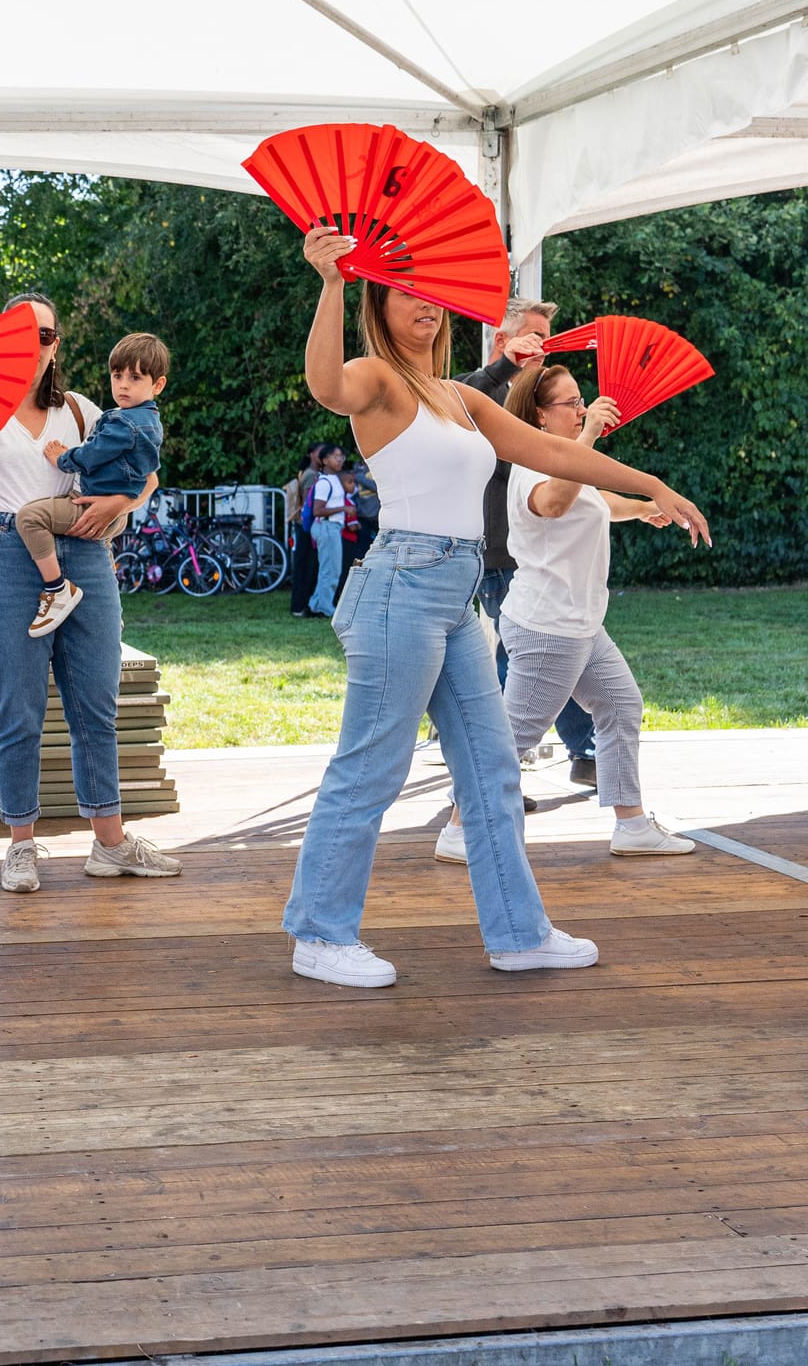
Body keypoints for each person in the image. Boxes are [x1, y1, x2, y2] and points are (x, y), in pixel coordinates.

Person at [281, 226, 709, 989]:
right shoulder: (377, 378)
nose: (425, 305)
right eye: (405, 290)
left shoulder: (460, 398)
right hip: (400, 589)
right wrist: (329, 282)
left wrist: (651, 485)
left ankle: (519, 932)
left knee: (493, 770)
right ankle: (319, 932)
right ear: (379, 300)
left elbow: (554, 453)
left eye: (431, 294)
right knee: (370, 767)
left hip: (456, 593)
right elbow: (324, 386)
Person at [0, 292, 182, 895]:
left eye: (48, 337)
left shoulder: (82, 410)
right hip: (2, 554)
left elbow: (146, 473)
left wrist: (121, 502)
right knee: (19, 711)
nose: (38, 347)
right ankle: (21, 845)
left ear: (58, 347)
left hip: (82, 549)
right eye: (26, 336)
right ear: (1, 343)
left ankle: (110, 844)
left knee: (95, 707)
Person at [435, 365, 695, 862]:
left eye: (582, 402)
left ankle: (632, 824)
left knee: (621, 706)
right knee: (513, 736)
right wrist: (592, 432)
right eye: (571, 404)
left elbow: (594, 498)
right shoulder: (532, 465)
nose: (581, 410)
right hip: (548, 626)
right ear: (539, 414)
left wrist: (640, 508)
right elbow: (555, 502)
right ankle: (458, 826)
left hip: (579, 622)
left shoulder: (570, 463)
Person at [456, 297, 599, 790]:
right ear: (504, 340)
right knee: (521, 665)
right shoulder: (486, 390)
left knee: (560, 656)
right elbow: (458, 402)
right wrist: (503, 366)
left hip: (536, 556)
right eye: (537, 338)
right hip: (500, 555)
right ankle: (490, 782)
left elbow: (570, 478)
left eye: (548, 338)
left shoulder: (539, 399)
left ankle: (582, 752)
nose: (546, 348)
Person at [22, 332, 167, 637]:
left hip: (92, 503)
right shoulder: (146, 419)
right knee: (104, 553)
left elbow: (91, 455)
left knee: (29, 518)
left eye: (135, 377)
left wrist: (62, 458)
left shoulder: (125, 425)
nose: (124, 384)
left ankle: (56, 589)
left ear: (158, 385)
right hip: (116, 511)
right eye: (117, 375)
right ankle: (111, 611)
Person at [285, 444, 327, 617]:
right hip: (306, 526)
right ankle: (300, 606)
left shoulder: (309, 473)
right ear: (311, 454)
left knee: (306, 566)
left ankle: (302, 605)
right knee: (305, 567)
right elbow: (310, 503)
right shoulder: (311, 475)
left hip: (304, 525)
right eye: (320, 452)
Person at [305, 441, 347, 617]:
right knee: (331, 570)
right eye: (335, 456)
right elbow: (317, 510)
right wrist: (343, 509)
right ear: (325, 460)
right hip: (327, 527)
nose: (340, 460)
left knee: (329, 568)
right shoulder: (324, 483)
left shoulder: (333, 479)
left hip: (331, 527)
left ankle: (316, 604)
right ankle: (325, 607)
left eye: (341, 456)